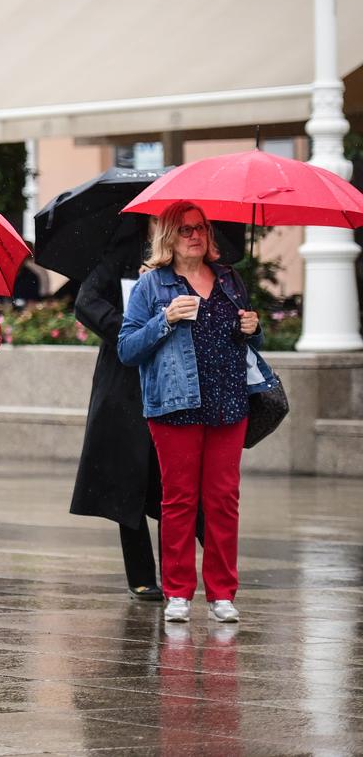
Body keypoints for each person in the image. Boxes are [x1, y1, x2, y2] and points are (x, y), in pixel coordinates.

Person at [119, 202, 270, 625]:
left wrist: (254, 328)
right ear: (168, 236)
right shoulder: (152, 286)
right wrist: (164, 319)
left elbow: (250, 340)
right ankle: (179, 592)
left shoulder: (230, 280)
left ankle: (222, 592)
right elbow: (126, 349)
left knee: (223, 500)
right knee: (180, 500)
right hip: (174, 406)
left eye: (201, 228)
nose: (195, 235)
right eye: (185, 229)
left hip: (230, 401)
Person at [70, 220, 165, 601]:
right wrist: (130, 326)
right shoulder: (122, 256)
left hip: (173, 379)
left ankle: (185, 574)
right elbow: (87, 303)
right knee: (130, 478)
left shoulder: (188, 260)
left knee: (174, 482)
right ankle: (141, 575)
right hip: (125, 382)